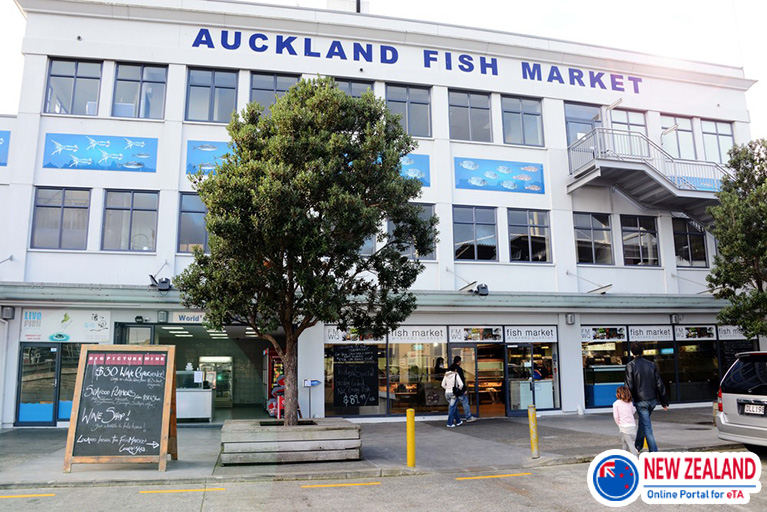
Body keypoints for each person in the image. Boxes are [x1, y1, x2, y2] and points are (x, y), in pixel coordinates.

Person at [624, 343, 669, 452]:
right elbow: (660, 384)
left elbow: (629, 385)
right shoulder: (651, 364)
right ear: (642, 351)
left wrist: (628, 402)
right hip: (652, 400)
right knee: (644, 423)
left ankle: (654, 452)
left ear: (632, 352)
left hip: (641, 400)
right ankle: (638, 446)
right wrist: (664, 402)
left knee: (647, 428)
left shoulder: (630, 365)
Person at [449, 356, 477, 423]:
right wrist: (464, 389)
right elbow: (461, 380)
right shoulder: (459, 369)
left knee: (453, 405)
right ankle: (468, 417)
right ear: (458, 362)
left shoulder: (450, 368)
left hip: (451, 389)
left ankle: (452, 419)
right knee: (465, 402)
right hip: (459, 390)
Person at [612, 385, 638, 456]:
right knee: (624, 441)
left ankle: (636, 458)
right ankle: (624, 455)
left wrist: (619, 424)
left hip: (623, 425)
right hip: (632, 425)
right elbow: (633, 411)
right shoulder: (630, 403)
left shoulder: (616, 404)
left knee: (630, 443)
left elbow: (616, 416)